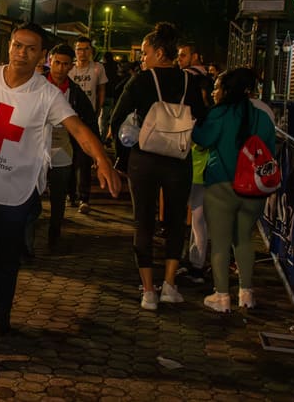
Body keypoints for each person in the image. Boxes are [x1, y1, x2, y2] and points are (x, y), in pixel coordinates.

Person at [0, 22, 120, 361]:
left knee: (7, 260)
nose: (22, 52)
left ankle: (0, 316)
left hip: (17, 193)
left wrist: (102, 160)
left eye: (31, 48)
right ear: (9, 47)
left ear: (42, 56)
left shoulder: (47, 95)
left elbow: (77, 128)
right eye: (18, 45)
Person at [110, 22, 206, 311]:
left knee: (143, 221)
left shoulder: (141, 80)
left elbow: (117, 119)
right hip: (178, 159)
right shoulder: (190, 81)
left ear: (160, 53)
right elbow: (201, 117)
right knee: (176, 221)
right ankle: (170, 285)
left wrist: (122, 158)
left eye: (145, 52)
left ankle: (148, 291)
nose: (142, 58)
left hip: (144, 158)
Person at [192, 68, 275, 312]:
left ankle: (222, 297)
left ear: (228, 89)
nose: (215, 91)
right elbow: (270, 150)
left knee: (219, 242)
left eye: (218, 87)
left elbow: (203, 139)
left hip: (221, 184)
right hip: (254, 189)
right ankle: (246, 294)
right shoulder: (263, 115)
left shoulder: (220, 113)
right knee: (244, 240)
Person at [40, 43, 98, 252]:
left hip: (62, 149)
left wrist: (95, 153)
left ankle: (53, 238)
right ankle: (25, 242)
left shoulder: (74, 92)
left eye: (65, 64)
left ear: (71, 66)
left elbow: (89, 121)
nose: (60, 68)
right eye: (57, 63)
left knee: (58, 198)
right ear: (50, 61)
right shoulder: (36, 84)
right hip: (35, 148)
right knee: (30, 197)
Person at [177, 43, 214, 285]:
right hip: (198, 171)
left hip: (202, 172)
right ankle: (194, 261)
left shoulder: (209, 115)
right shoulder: (212, 113)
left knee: (200, 221)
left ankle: (198, 266)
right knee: (197, 220)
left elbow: (202, 141)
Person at [68, 36, 107, 214]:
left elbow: (101, 92)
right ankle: (71, 194)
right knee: (69, 158)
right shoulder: (70, 69)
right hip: (69, 119)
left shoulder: (98, 69)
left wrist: (97, 112)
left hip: (88, 120)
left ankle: (84, 197)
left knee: (84, 160)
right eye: (79, 49)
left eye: (85, 49)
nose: (82, 53)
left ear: (91, 51)